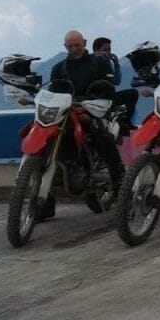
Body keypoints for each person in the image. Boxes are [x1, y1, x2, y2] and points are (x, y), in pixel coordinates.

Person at [40, 30, 125, 221]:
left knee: (101, 135)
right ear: (65, 47)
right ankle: (44, 204)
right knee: (43, 144)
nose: (73, 48)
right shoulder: (58, 68)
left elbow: (109, 86)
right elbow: (52, 93)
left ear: (84, 43)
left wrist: (89, 104)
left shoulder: (100, 62)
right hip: (64, 113)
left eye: (76, 44)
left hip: (92, 109)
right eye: (69, 46)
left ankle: (120, 178)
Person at [92, 36, 139, 128]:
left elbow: (116, 81)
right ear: (96, 50)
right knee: (131, 94)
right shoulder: (92, 62)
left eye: (109, 50)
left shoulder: (108, 63)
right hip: (97, 99)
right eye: (105, 50)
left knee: (132, 93)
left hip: (110, 97)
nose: (108, 52)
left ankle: (125, 122)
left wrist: (116, 65)